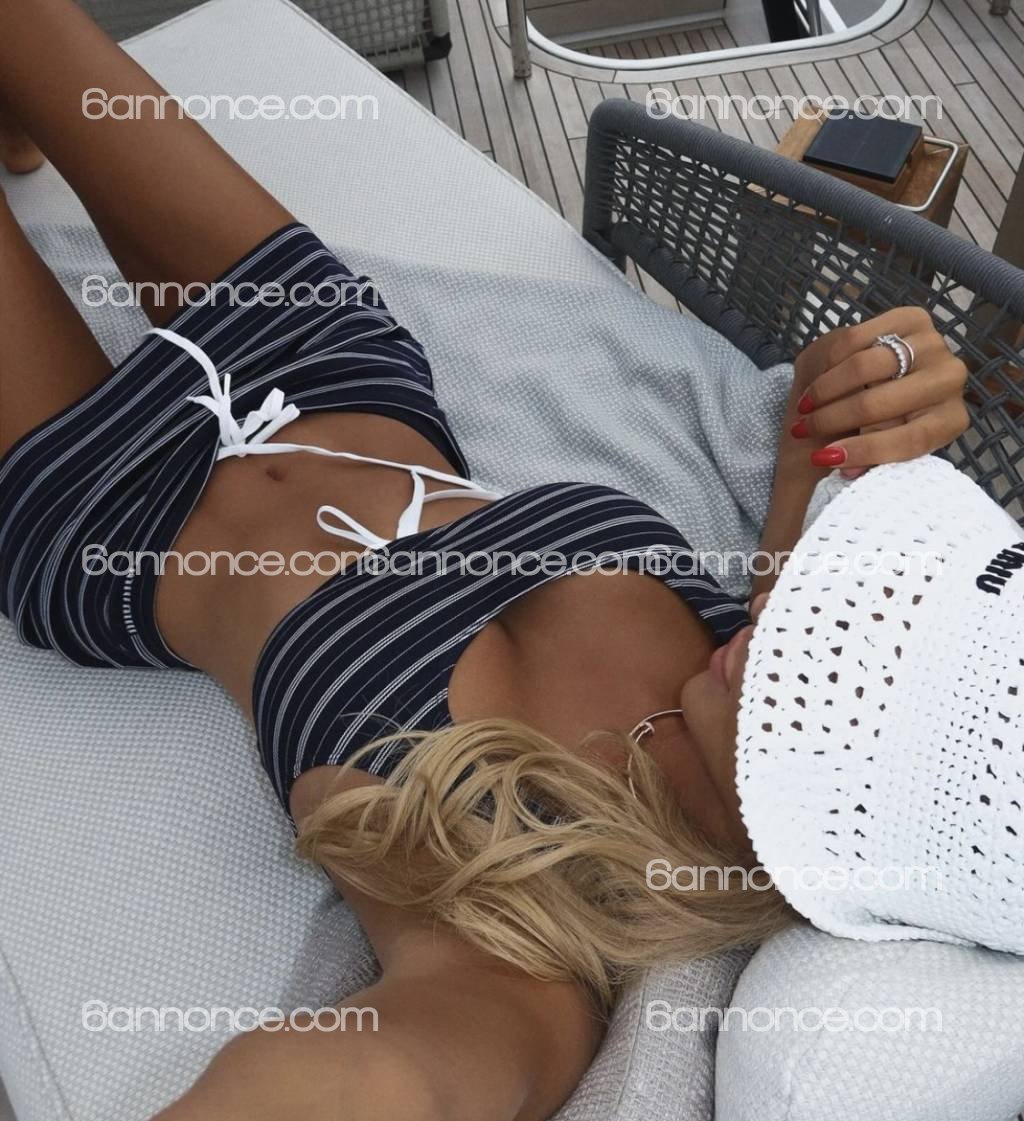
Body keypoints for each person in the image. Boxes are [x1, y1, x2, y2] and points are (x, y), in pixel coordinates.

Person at [0, 2, 973, 1118]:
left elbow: (381, 1078)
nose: (802, 646)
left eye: (841, 707)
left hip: (105, 509)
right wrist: (881, 370)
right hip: (324, 365)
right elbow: (821, 434)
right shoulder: (777, 646)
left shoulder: (533, 940)